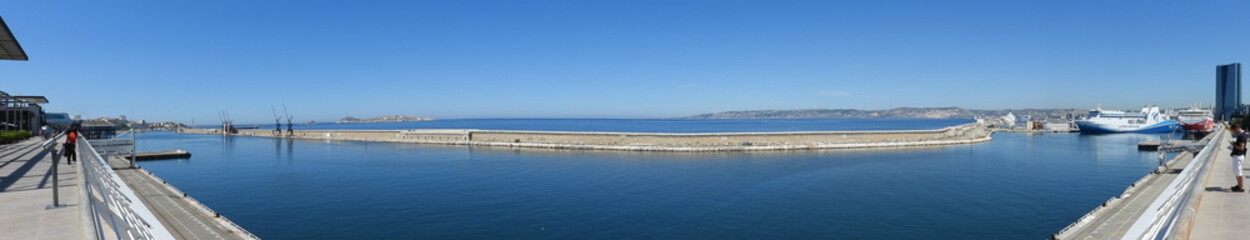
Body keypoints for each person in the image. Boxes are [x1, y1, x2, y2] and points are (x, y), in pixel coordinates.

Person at [1231, 124, 1249, 192]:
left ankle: (1241, 187)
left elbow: (1241, 148)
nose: (1234, 132)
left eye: (1234, 131)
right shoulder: (1242, 135)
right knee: (1236, 171)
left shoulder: (1242, 136)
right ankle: (1238, 185)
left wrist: (1234, 145)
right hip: (1238, 155)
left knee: (1238, 171)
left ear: (1237, 128)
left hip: (1238, 156)